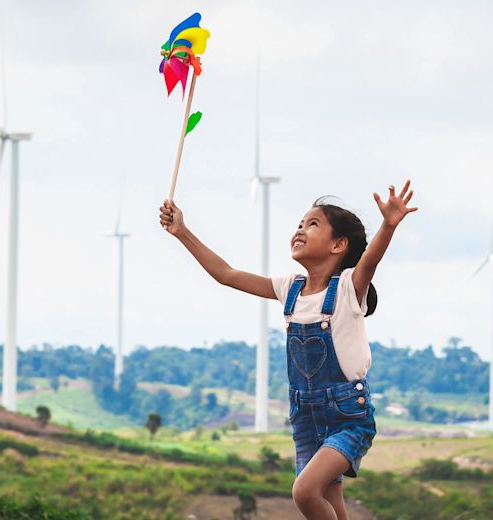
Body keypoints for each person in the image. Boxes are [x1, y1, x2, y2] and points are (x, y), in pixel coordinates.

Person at [159, 181, 418, 519]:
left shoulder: (349, 289)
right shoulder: (289, 288)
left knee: (305, 492)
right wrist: (182, 232)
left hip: (346, 417)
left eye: (313, 224)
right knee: (332, 501)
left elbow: (370, 261)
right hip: (306, 417)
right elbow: (226, 274)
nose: (300, 229)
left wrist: (388, 224)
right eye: (300, 223)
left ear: (339, 244)